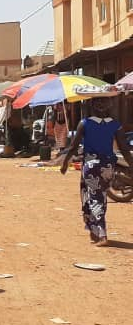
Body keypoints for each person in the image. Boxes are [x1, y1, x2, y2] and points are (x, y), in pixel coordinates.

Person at [60, 96, 133, 246]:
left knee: (93, 198)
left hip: (91, 167)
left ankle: (101, 234)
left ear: (92, 105)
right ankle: (94, 231)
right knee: (101, 197)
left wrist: (65, 163)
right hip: (108, 167)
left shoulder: (84, 123)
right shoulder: (115, 125)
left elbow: (73, 147)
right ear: (109, 106)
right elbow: (124, 149)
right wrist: (131, 165)